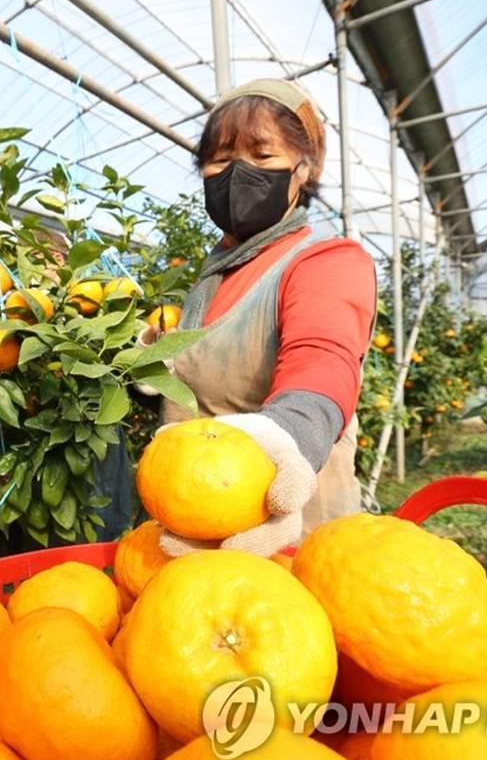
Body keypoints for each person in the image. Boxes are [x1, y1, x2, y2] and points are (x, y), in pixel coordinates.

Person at [140, 78, 377, 557]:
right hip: (194, 519)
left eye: (263, 155)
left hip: (295, 543)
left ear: (304, 169)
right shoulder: (213, 274)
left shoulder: (326, 261)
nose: (238, 172)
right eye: (221, 158)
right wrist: (151, 365)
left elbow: (323, 359)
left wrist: (291, 433)